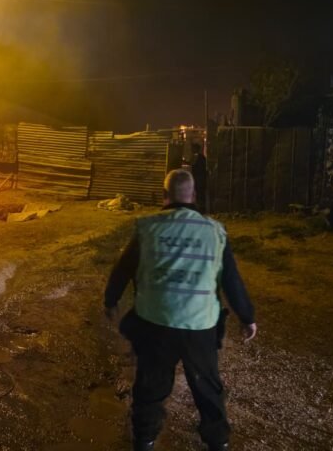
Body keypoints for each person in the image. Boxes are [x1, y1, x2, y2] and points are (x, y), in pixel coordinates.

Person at [104, 169, 256, 451]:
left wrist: (110, 300)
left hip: (155, 322)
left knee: (150, 386)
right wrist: (247, 317)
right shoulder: (215, 232)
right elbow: (231, 280)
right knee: (207, 388)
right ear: (194, 196)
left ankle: (144, 440)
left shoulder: (148, 228)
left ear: (164, 197)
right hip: (200, 325)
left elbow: (123, 268)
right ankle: (217, 442)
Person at [190, 142, 207, 212]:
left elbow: (194, 166)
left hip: (198, 178)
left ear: (196, 149)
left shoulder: (196, 157)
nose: (191, 149)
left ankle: (200, 208)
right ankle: (201, 208)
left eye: (193, 148)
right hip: (200, 178)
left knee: (199, 193)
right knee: (200, 193)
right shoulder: (202, 157)